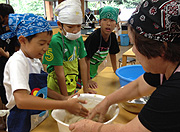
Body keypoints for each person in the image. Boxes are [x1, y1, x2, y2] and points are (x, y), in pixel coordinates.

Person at [69, 0, 180, 131]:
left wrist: (92, 127)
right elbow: (138, 87)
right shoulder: (166, 67)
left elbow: (134, 130)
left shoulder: (173, 91)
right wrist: (107, 101)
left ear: (161, 49)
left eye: (134, 45)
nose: (133, 50)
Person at [0, 13, 88, 132]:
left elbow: (41, 88)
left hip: (38, 119)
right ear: (23, 40)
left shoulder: (35, 60)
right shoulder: (18, 62)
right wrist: (65, 105)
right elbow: (21, 100)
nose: (46, 48)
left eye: (48, 43)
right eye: (41, 44)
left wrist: (64, 98)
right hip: (21, 122)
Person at [42, 0, 96, 96]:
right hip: (56, 88)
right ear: (60, 25)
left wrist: (86, 88)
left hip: (71, 84)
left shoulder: (78, 39)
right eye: (70, 27)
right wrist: (66, 98)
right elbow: (59, 74)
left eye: (79, 26)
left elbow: (83, 64)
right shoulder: (55, 42)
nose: (75, 31)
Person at [84, 6, 120, 88]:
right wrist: (88, 79)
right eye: (105, 20)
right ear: (100, 22)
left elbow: (113, 54)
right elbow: (86, 59)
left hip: (93, 69)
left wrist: (116, 72)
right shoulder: (94, 37)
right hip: (82, 70)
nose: (108, 23)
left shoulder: (113, 37)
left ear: (116, 24)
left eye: (112, 20)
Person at [0, 3, 19, 106]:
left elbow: (19, 52)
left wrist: (6, 55)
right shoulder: (1, 28)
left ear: (6, 16)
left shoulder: (16, 30)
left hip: (11, 66)